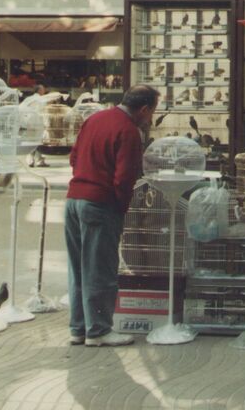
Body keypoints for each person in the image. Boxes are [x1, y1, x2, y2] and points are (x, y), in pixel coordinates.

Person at [65, 85, 159, 347]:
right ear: (144, 109)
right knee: (101, 268)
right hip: (100, 204)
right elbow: (124, 177)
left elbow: (73, 158)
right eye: (152, 111)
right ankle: (99, 330)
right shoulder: (129, 131)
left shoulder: (94, 119)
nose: (151, 117)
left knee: (78, 268)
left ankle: (79, 328)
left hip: (73, 200)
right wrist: (121, 207)